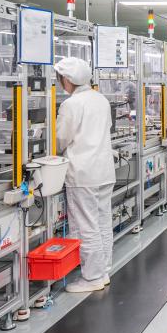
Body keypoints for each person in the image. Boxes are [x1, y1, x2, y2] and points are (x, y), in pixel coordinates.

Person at [54, 56, 117, 293]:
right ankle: (103, 271)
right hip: (104, 171)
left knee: (86, 227)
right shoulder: (101, 99)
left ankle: (92, 278)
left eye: (61, 78)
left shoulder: (71, 105)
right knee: (102, 223)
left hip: (83, 173)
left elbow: (61, 138)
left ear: (67, 80)